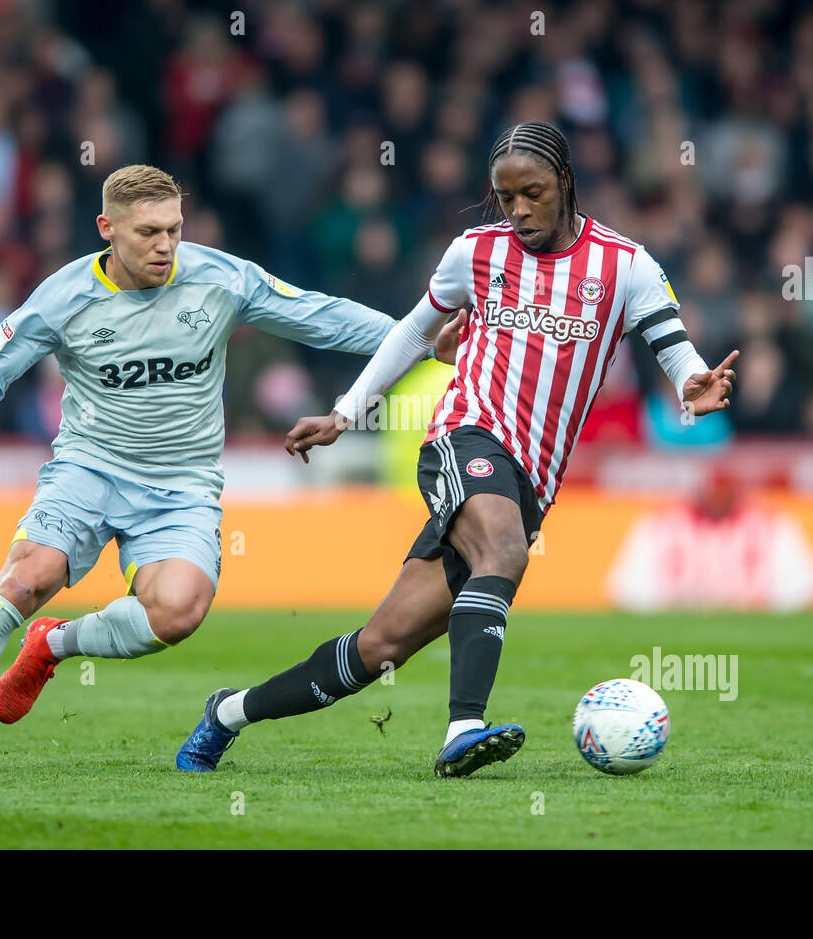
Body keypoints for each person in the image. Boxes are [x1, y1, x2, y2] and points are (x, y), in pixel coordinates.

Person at [178, 122, 738, 778]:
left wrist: (690, 382)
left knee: (378, 648)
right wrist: (344, 413)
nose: (520, 210)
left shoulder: (625, 264)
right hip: (462, 436)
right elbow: (414, 333)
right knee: (502, 551)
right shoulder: (475, 252)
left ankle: (226, 713)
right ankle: (463, 730)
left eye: (533, 193)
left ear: (566, 183)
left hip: (531, 480)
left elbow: (672, 344)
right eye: (506, 198)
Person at [0, 163, 458, 776]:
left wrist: (416, 337)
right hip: (87, 470)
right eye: (148, 231)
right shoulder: (65, 295)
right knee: (24, 580)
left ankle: (53, 643)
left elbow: (320, 314)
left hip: (181, 486)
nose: (165, 245)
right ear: (107, 228)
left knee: (178, 613)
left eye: (174, 229)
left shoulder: (220, 278)